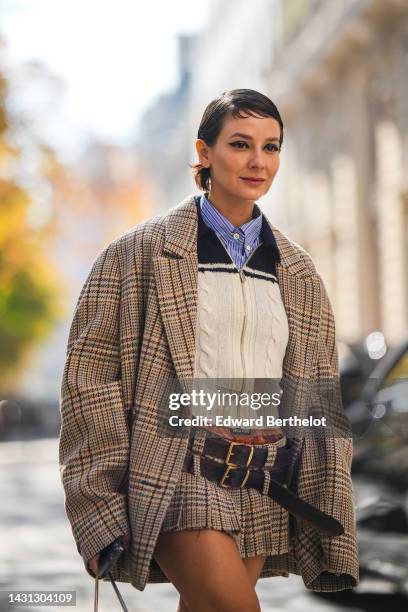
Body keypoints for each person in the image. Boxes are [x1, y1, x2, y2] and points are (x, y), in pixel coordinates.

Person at [59, 89, 359, 612]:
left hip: (263, 477)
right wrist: (98, 504)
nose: (258, 161)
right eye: (240, 144)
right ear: (203, 153)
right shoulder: (139, 254)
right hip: (177, 468)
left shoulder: (298, 270)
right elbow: (90, 380)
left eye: (271, 147)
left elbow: (316, 395)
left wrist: (327, 485)